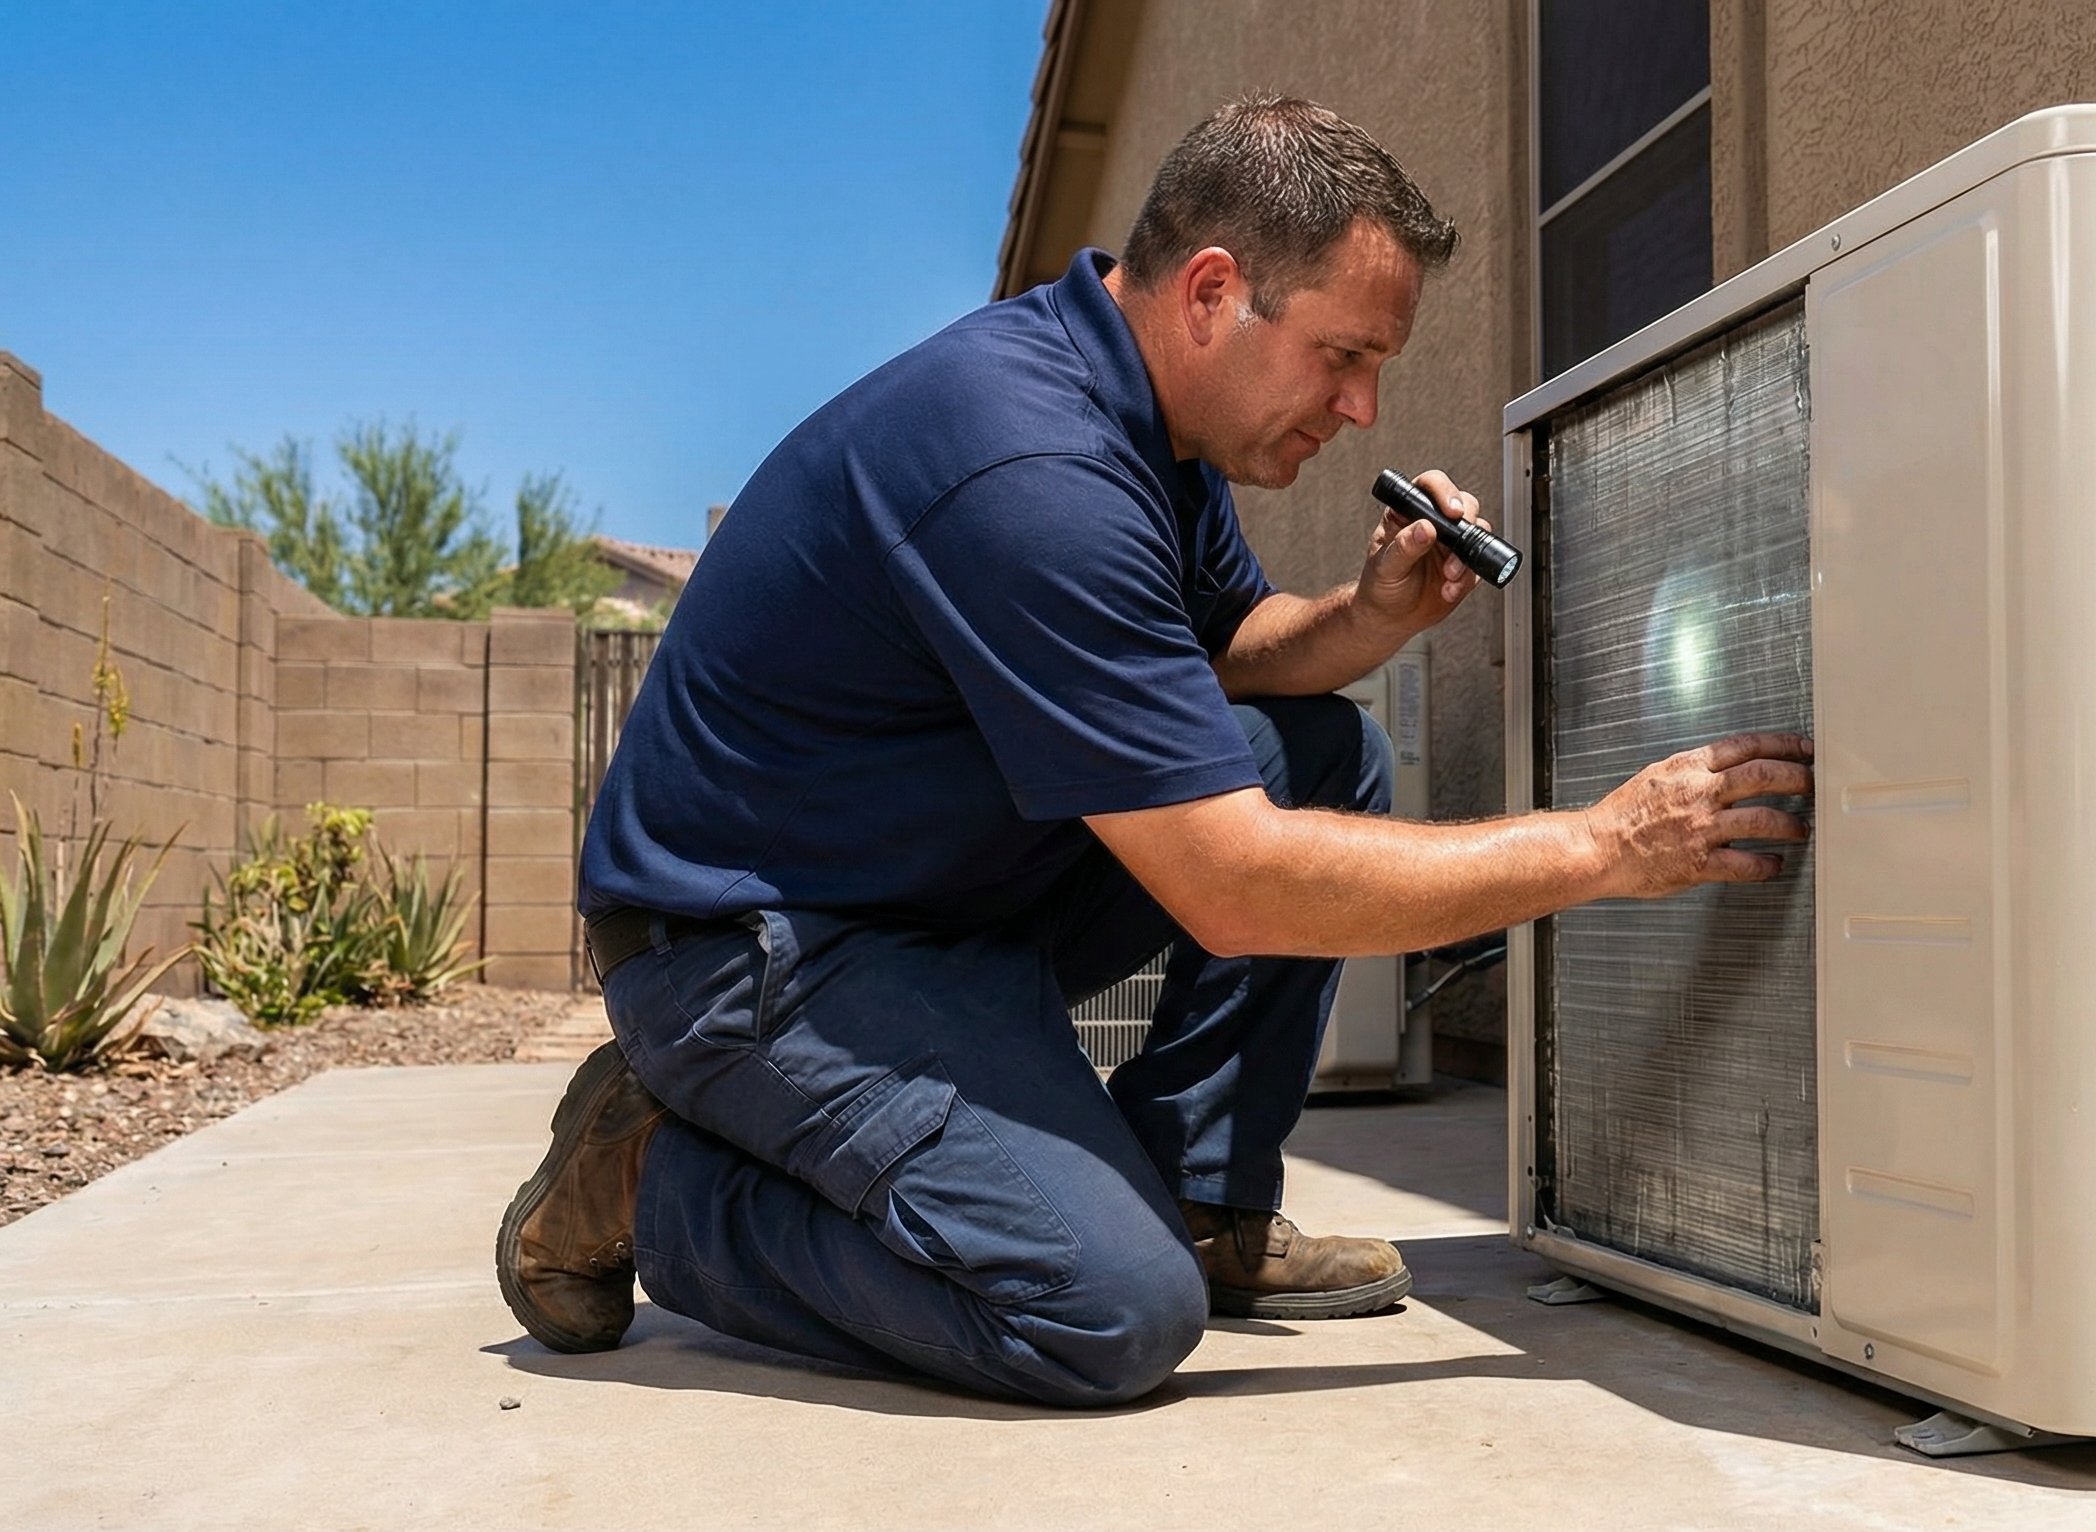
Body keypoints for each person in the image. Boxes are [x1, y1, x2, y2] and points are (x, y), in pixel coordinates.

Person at [495, 96, 1810, 1409]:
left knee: (1319, 753)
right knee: (1100, 1310)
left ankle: (1199, 1194)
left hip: (931, 894)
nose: (1362, 410)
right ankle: (648, 1179)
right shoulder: (1030, 466)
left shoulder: (1149, 430)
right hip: (754, 947)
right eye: (1345, 357)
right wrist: (1601, 847)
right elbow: (1230, 884)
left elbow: (1227, 649)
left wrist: (1367, 616)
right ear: (1213, 292)